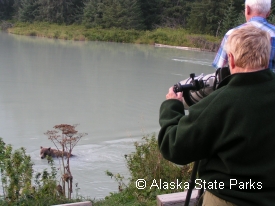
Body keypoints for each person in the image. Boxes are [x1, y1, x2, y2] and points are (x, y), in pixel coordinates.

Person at [158, 25, 275, 206]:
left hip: (229, 198)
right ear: (267, 60)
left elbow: (173, 146)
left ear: (231, 60)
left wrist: (171, 106)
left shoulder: (221, 102)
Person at [212, 0, 275, 73]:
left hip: (237, 83)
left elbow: (219, 67)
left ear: (247, 9)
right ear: (268, 13)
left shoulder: (231, 34)